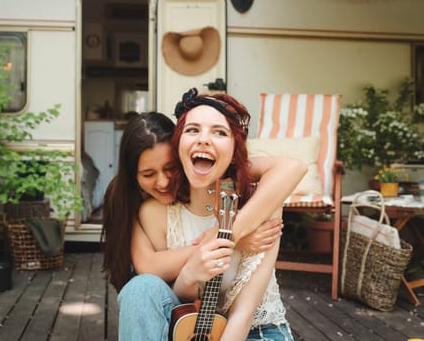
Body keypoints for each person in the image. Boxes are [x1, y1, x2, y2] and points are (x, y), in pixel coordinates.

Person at [120, 89, 302, 340]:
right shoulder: (156, 212)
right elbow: (179, 297)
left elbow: (244, 313)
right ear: (178, 145)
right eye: (193, 130)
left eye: (220, 132)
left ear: (235, 148)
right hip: (190, 327)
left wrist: (228, 234)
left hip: (254, 332)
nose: (204, 140)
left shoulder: (261, 202)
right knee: (140, 288)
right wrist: (192, 270)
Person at [101, 112, 305, 293]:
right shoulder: (127, 199)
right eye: (148, 174)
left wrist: (231, 231)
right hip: (153, 299)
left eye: (170, 168)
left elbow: (292, 167)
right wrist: (229, 241)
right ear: (132, 175)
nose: (163, 182)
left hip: (200, 296)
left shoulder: (207, 172)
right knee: (141, 288)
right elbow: (149, 267)